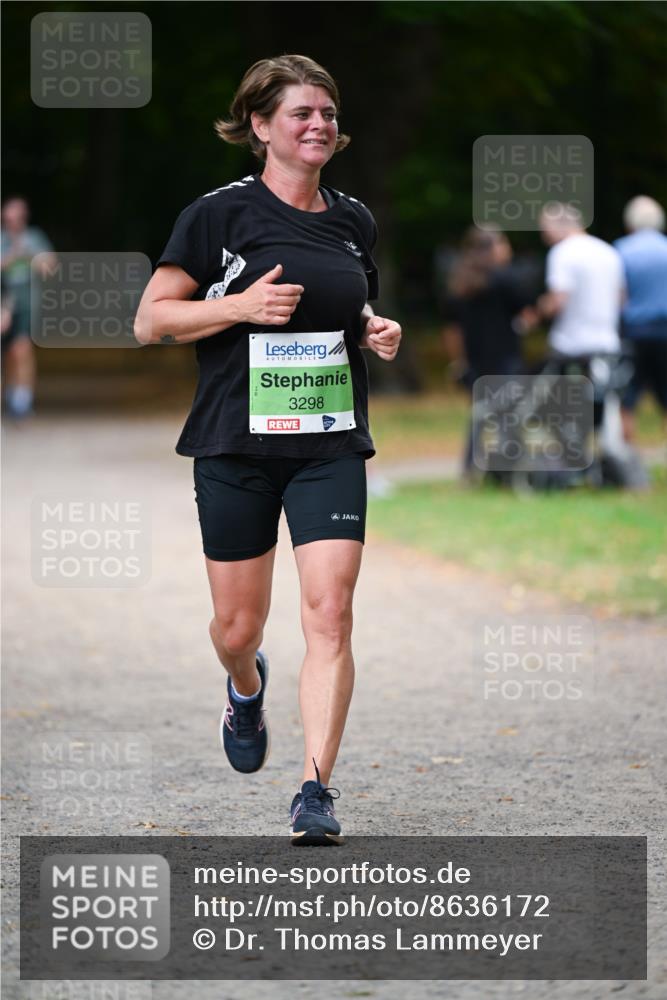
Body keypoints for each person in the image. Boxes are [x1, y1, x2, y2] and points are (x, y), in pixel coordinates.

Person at [134, 55, 401, 845]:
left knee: (330, 611)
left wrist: (371, 329)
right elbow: (152, 321)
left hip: (327, 443)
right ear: (258, 126)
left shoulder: (352, 218)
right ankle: (244, 687)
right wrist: (240, 306)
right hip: (234, 442)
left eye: (327, 112)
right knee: (236, 627)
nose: (318, 124)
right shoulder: (218, 215)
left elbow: (348, 305)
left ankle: (315, 789)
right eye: (300, 114)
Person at [440, 227, 535, 476]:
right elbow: (526, 315)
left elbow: (452, 330)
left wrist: (458, 362)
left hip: (476, 363)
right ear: (493, 249)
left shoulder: (459, 283)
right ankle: (513, 469)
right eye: (503, 244)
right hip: (506, 359)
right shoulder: (506, 280)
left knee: (480, 417)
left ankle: (469, 470)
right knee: (509, 416)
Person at [613, 196, 667, 443]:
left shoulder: (621, 249)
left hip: (633, 331)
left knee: (628, 396)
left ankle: (628, 456)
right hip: (664, 330)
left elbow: (618, 295)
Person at [1, 197, 56, 418]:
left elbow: (50, 267)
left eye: (17, 217)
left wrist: (32, 255)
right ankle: (10, 395)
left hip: (27, 303)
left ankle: (22, 401)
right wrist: (13, 255)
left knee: (21, 350)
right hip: (4, 303)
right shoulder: (2, 239)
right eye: (8, 217)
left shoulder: (35, 238)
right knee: (7, 354)